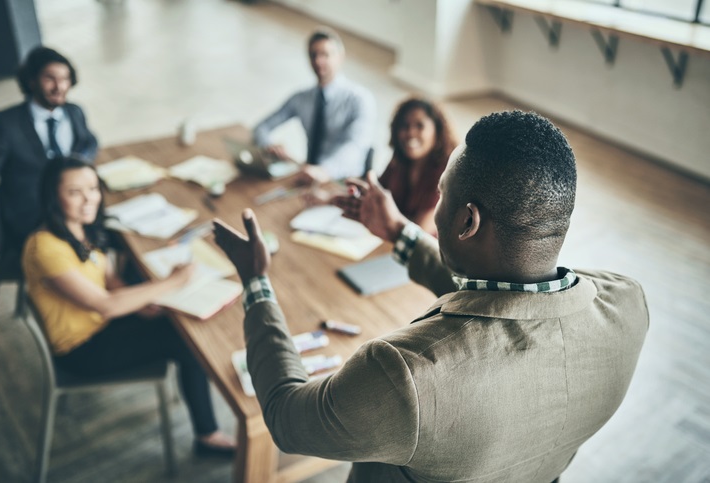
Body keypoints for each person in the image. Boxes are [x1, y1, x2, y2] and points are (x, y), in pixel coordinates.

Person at [213, 111, 649, 482]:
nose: (436, 204)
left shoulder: (405, 376)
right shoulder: (627, 304)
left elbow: (289, 419)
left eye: (442, 193)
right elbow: (507, 301)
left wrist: (256, 284)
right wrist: (399, 232)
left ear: (467, 222)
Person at [22, 157, 235, 456]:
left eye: (93, 188)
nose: (89, 199)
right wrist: (173, 282)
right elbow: (106, 305)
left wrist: (140, 303)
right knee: (187, 341)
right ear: (53, 196)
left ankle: (206, 430)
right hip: (81, 349)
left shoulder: (79, 229)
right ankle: (207, 436)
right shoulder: (45, 247)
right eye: (74, 192)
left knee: (175, 323)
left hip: (98, 323)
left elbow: (107, 278)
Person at [0, 46, 98, 269]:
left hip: (75, 212)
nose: (59, 87)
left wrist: (77, 168)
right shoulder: (4, 124)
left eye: (65, 79)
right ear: (31, 80)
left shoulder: (74, 112)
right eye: (50, 78)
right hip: (33, 221)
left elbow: (90, 141)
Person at [253, 28, 376, 185]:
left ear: (340, 57)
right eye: (313, 55)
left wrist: (324, 171)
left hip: (344, 181)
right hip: (309, 177)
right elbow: (261, 127)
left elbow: (355, 147)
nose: (318, 61)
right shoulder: (301, 98)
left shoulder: (360, 99)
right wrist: (269, 145)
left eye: (325, 54)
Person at [378, 97, 456, 235]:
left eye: (419, 126)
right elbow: (375, 195)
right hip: (391, 241)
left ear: (437, 131)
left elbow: (419, 231)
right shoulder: (399, 162)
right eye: (404, 126)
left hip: (427, 252)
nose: (410, 133)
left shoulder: (448, 172)